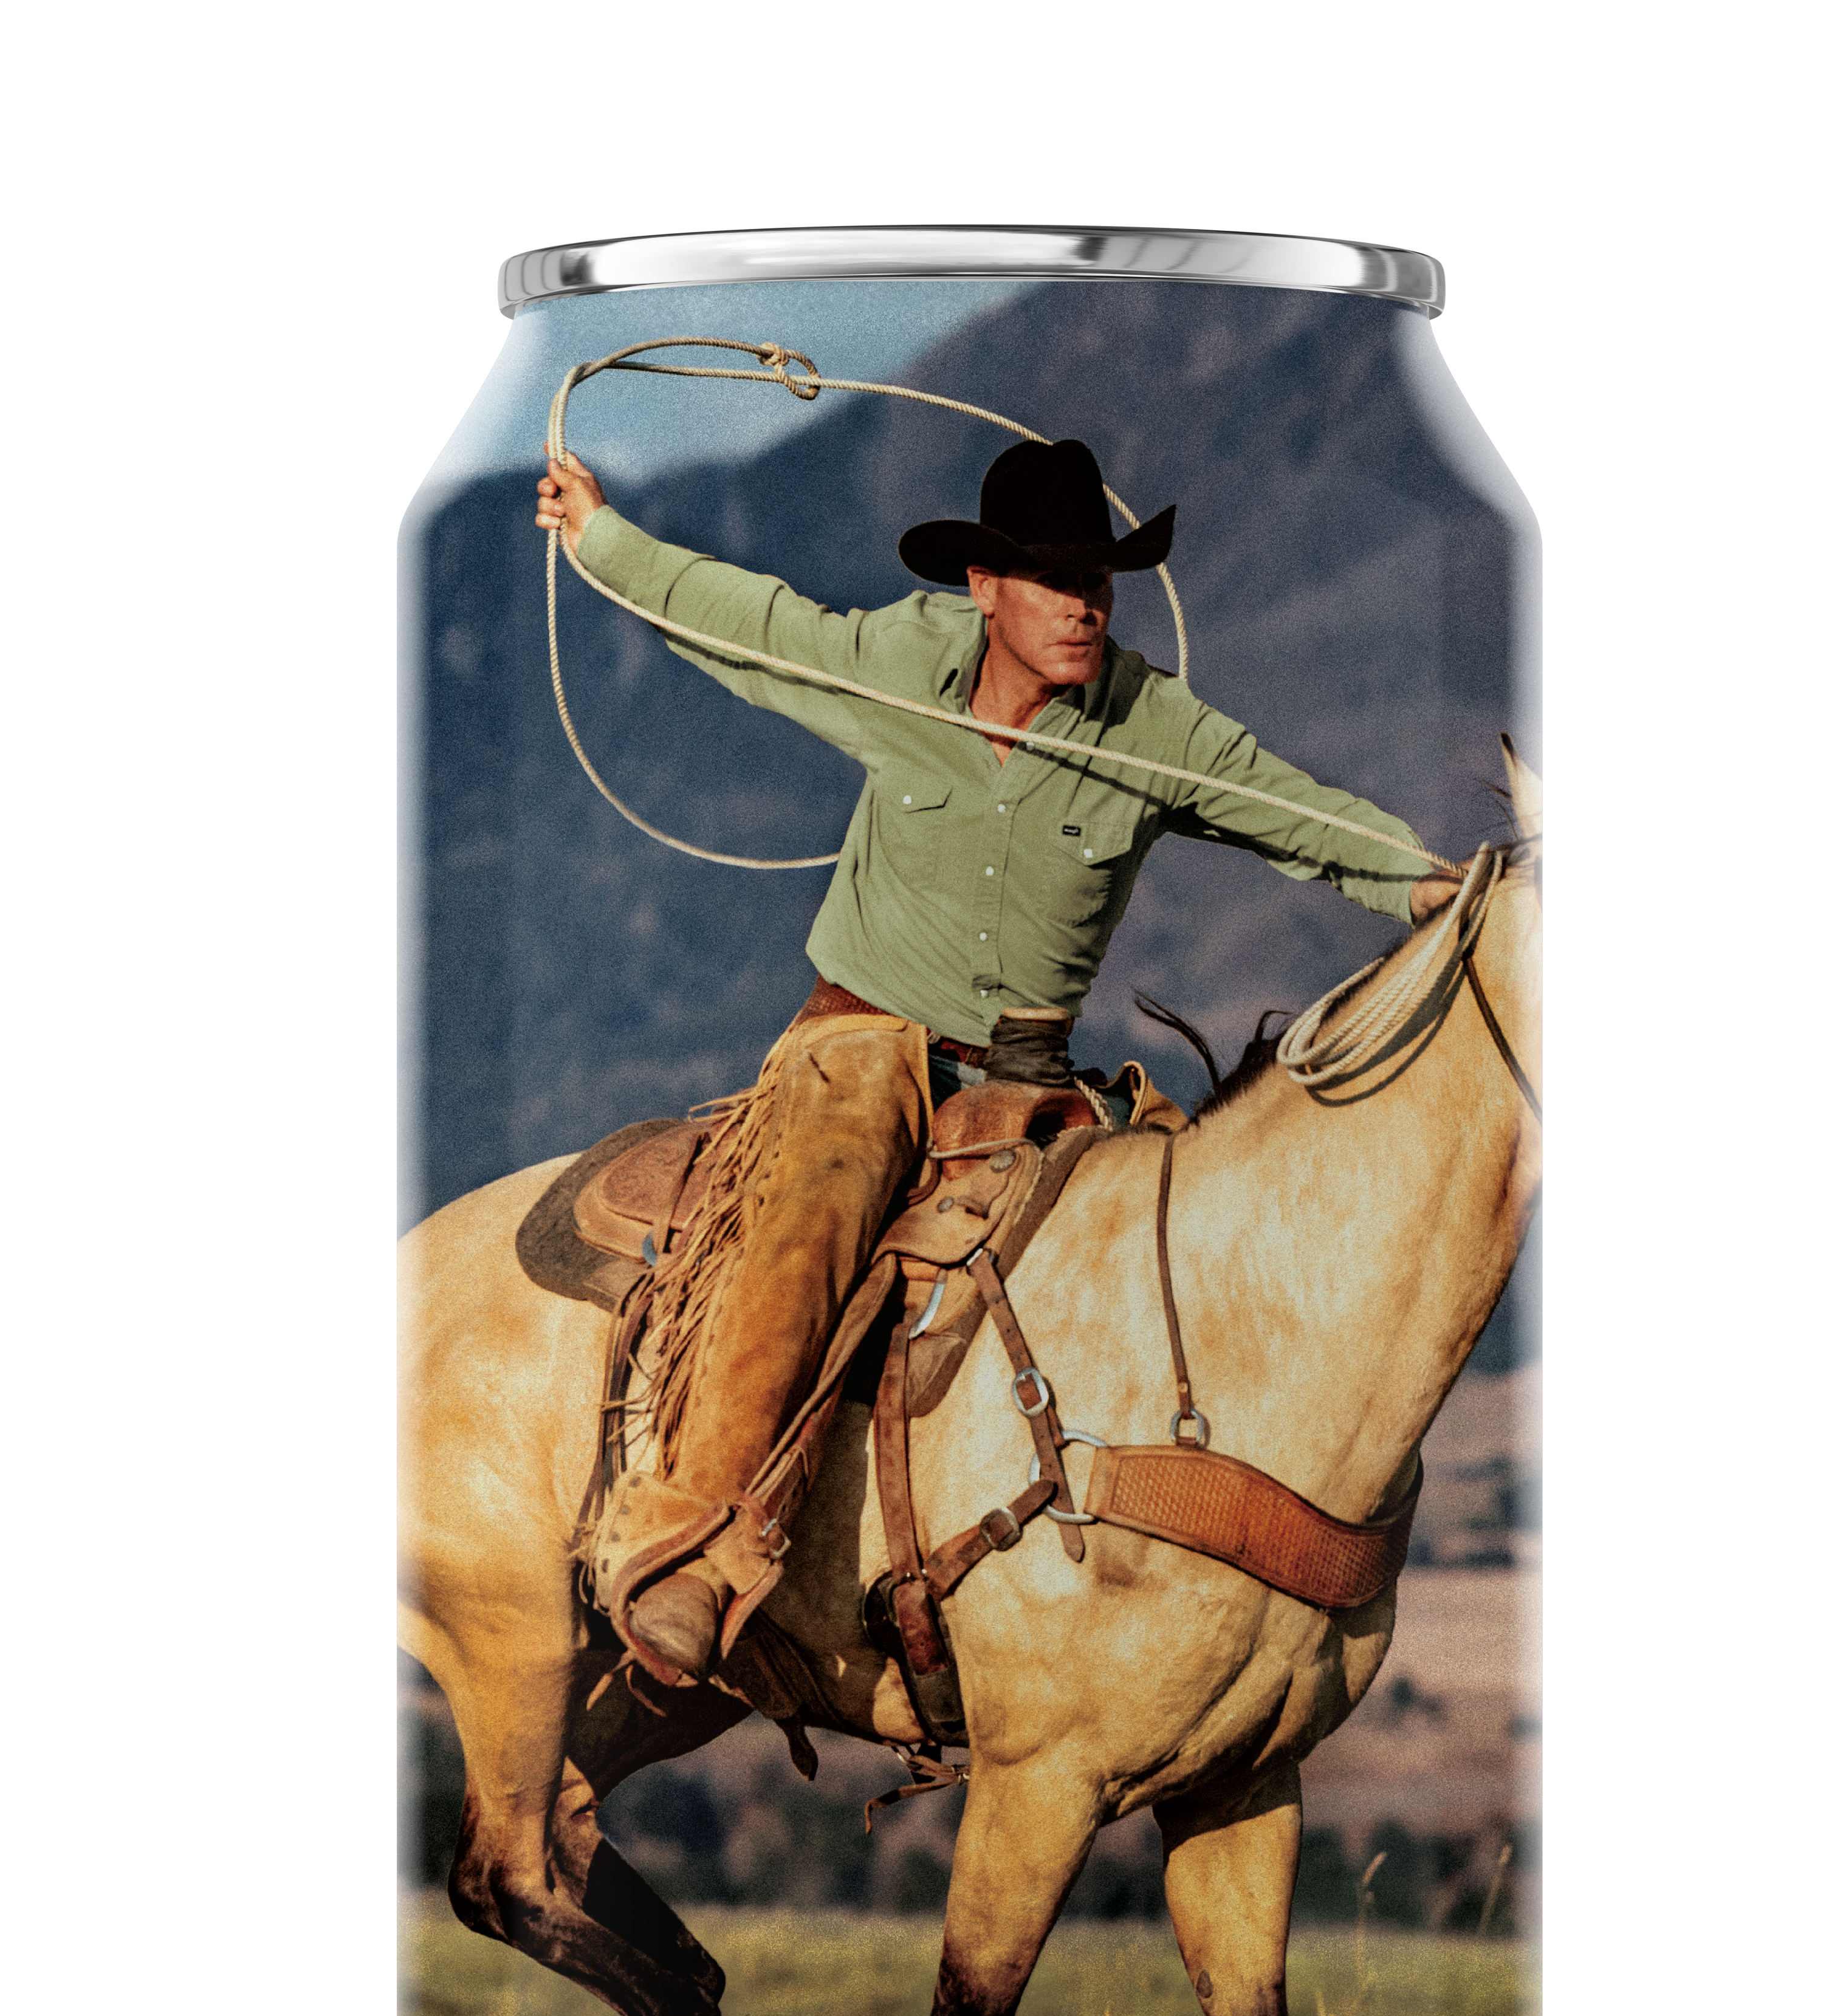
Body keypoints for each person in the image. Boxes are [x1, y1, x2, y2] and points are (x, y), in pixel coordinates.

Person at [534, 433, 1461, 1687]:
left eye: (1102, 582)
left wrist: (1423, 884)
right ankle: (693, 1545)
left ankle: (1115, 1596)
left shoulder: (1149, 723)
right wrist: (599, 534)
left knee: (1160, 1255)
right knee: (816, 1211)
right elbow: (747, 623)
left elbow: (1288, 809)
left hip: (1034, 1080)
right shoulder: (898, 666)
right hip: (861, 1045)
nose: (1086, 606)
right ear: (984, 589)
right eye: (1056, 581)